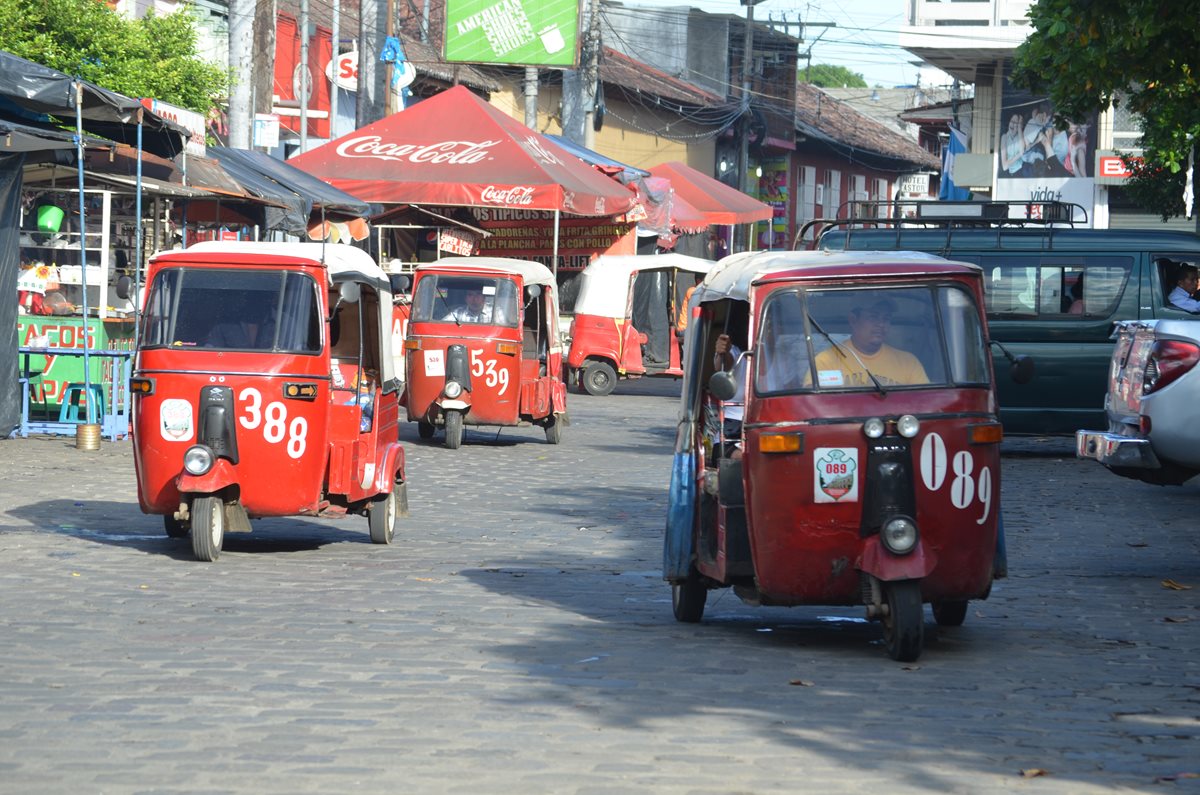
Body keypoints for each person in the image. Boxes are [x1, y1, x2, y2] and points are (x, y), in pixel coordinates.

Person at [811, 298, 929, 387]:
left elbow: (924, 402)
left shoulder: (908, 363)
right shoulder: (826, 362)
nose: (881, 324)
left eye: (886, 318)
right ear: (853, 320)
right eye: (873, 317)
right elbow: (814, 404)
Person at [712, 332, 747, 459]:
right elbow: (722, 366)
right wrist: (723, 352)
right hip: (733, 427)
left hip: (771, 424)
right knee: (742, 457)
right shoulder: (737, 353)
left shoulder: (784, 356)